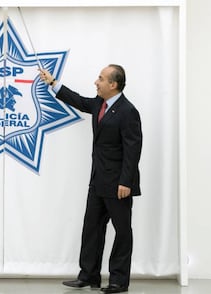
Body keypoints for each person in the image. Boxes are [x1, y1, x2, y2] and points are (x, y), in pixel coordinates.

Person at [40, 65, 142, 294]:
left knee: (122, 232)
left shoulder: (128, 111)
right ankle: (88, 276)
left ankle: (118, 281)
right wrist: (52, 82)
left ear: (113, 84)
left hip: (118, 185)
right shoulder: (99, 104)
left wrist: (126, 182)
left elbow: (133, 150)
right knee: (91, 229)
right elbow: (78, 101)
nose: (96, 82)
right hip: (97, 182)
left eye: (101, 78)